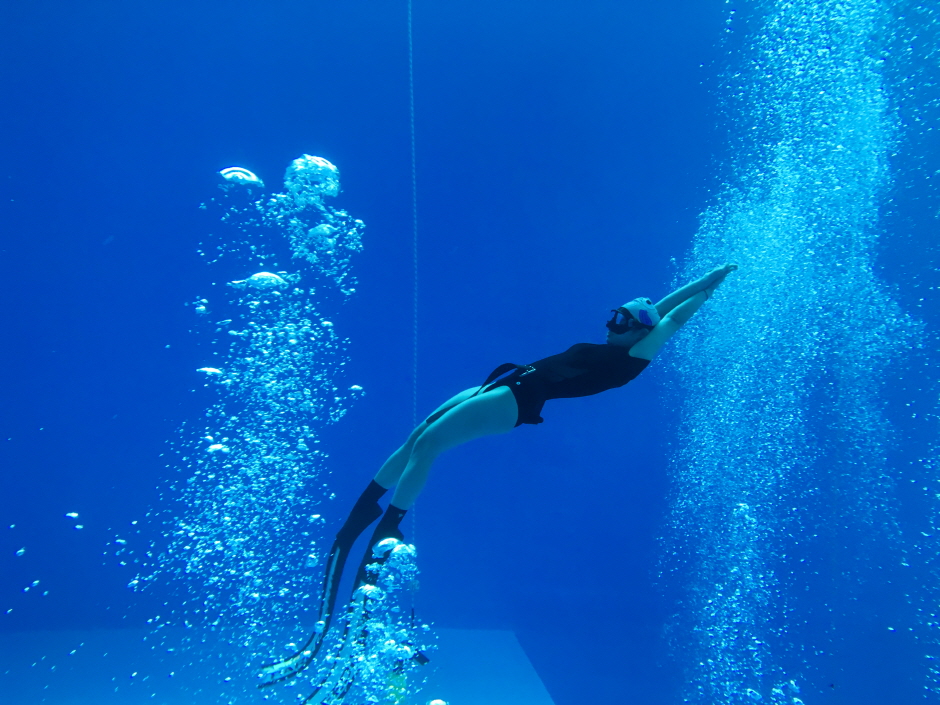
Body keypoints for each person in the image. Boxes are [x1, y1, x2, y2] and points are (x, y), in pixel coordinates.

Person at [261, 262, 738, 683]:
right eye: (612, 316)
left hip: (521, 400)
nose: (610, 325)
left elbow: (670, 317)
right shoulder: (628, 337)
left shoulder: (636, 355)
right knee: (418, 435)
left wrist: (710, 288)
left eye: (620, 321)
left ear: (638, 332)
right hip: (509, 379)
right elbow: (658, 306)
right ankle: (366, 507)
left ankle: (390, 523)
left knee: (430, 445)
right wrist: (701, 278)